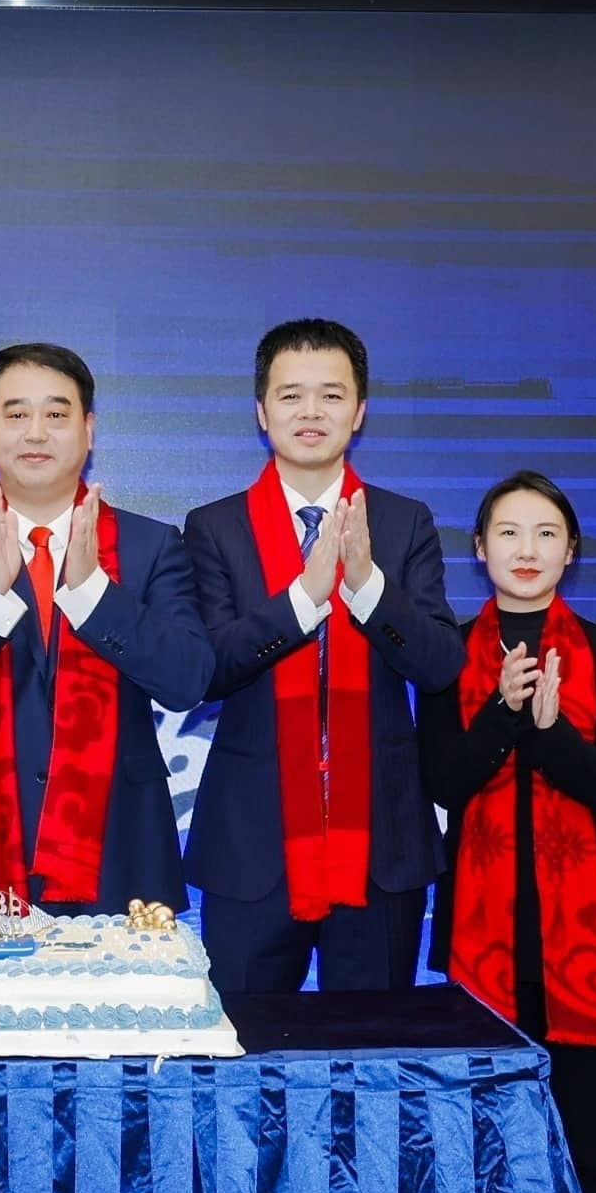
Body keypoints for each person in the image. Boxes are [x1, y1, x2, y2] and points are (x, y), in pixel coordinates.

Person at [421, 472, 596, 1193]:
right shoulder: (445, 658)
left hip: (589, 936)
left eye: (546, 532)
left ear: (571, 550)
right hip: (480, 937)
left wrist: (550, 734)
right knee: (478, 1148)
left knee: (582, 1143)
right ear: (479, 550)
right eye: (508, 532)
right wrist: (502, 715)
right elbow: (443, 780)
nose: (526, 549)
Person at [0, 344, 215, 914]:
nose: (36, 432)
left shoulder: (151, 545)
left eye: (56, 414)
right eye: (16, 414)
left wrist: (93, 594)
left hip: (120, 861)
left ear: (89, 430)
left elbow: (188, 681)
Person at [182, 318, 464, 994]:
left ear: (359, 411)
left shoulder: (403, 522)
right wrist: (303, 600)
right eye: (291, 395)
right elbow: (205, 670)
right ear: (262, 411)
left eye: (331, 395)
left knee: (373, 1047)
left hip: (379, 843)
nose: (311, 412)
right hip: (253, 846)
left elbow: (440, 665)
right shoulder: (214, 528)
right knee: (246, 1046)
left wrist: (366, 587)